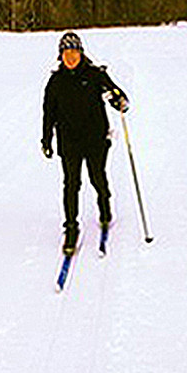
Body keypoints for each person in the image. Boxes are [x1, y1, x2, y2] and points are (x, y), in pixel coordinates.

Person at [41, 31, 129, 253]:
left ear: (81, 53)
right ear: (60, 56)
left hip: (95, 138)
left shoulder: (95, 75)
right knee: (71, 184)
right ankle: (71, 227)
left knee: (97, 177)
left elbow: (118, 95)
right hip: (68, 141)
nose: (70, 58)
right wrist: (46, 139)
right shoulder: (55, 81)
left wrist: (119, 101)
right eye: (66, 53)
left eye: (74, 53)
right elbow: (48, 113)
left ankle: (105, 208)